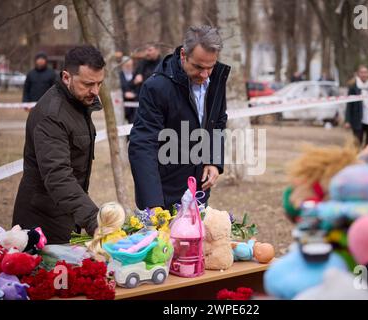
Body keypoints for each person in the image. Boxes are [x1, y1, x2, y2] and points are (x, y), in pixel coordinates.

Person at [128, 25, 230, 211]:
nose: (205, 74)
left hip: (198, 190)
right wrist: (153, 204)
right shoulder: (156, 87)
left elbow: (218, 121)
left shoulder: (216, 79)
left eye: (210, 67)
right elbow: (143, 144)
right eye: (198, 67)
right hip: (163, 193)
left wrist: (213, 161)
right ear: (183, 55)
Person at [13, 45, 106, 244]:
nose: (95, 91)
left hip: (66, 212)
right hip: (42, 221)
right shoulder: (51, 115)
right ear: (66, 77)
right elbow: (57, 175)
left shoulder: (78, 103)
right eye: (88, 84)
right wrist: (94, 220)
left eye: (100, 83)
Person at [119, 57, 138, 123]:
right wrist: (124, 94)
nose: (129, 67)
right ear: (122, 65)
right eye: (127, 65)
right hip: (122, 105)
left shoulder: (135, 75)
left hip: (134, 105)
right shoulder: (118, 76)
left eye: (130, 65)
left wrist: (135, 94)